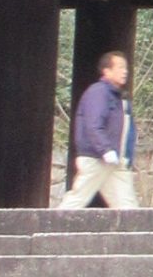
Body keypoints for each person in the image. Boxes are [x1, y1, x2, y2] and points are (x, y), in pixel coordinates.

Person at [58, 49, 140, 208]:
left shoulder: (119, 97)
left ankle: (134, 233)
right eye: (120, 67)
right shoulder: (98, 93)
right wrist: (105, 150)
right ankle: (52, 227)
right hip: (97, 158)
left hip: (116, 161)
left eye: (126, 68)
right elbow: (93, 124)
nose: (125, 72)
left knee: (127, 207)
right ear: (106, 71)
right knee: (77, 200)